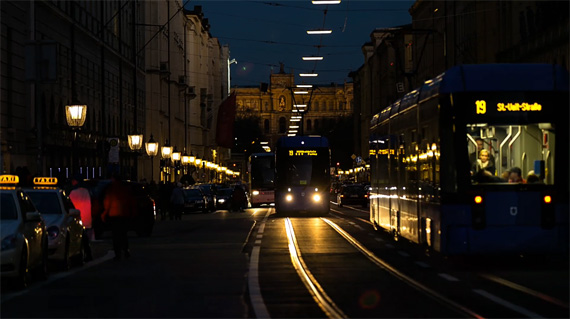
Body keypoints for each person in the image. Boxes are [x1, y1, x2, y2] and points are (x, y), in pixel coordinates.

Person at [102, 173, 136, 261]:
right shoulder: (125, 189)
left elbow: (107, 202)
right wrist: (132, 212)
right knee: (123, 234)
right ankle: (126, 250)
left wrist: (105, 213)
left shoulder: (111, 189)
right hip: (124, 214)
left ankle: (118, 253)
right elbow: (131, 202)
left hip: (114, 214)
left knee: (115, 235)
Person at [69, 175, 93, 261]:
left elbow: (69, 206)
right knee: (85, 239)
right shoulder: (86, 191)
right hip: (87, 219)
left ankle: (81, 255)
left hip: (77, 219)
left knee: (79, 239)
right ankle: (87, 254)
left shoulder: (73, 193)